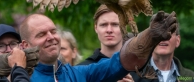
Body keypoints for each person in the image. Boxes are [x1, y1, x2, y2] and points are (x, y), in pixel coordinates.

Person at [19, 11, 177, 82]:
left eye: (53, 31)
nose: (51, 37)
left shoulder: (80, 73)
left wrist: (149, 36)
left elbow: (121, 61)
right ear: (25, 45)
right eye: (41, 34)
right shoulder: (16, 77)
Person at [131, 12, 194, 82]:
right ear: (149, 39)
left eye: (169, 32)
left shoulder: (192, 78)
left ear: (177, 41)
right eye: (158, 32)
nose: (163, 37)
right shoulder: (132, 75)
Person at [77, 4, 134, 82]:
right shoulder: (81, 71)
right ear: (96, 28)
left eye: (115, 24)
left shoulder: (141, 68)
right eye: (103, 25)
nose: (109, 30)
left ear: (125, 27)